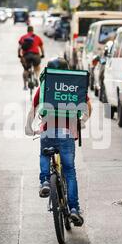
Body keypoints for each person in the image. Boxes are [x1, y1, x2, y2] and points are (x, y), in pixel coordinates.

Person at [25, 57, 92, 227]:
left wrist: (28, 127)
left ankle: (45, 181)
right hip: (67, 134)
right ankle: (74, 210)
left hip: (48, 132)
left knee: (44, 154)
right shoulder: (74, 86)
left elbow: (34, 108)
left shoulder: (45, 86)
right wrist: (83, 120)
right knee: (69, 172)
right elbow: (87, 106)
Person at [18, 26, 44, 90]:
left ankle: (25, 86)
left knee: (25, 69)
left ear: (27, 30)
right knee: (37, 67)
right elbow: (41, 47)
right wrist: (43, 54)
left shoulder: (23, 37)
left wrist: (19, 55)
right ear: (33, 30)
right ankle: (36, 77)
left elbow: (19, 48)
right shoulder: (37, 37)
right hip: (36, 56)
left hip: (26, 56)